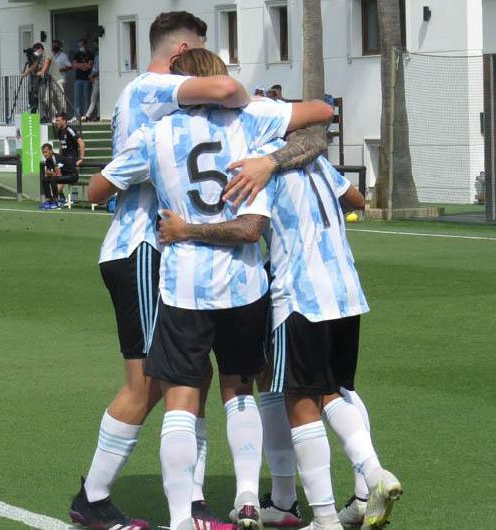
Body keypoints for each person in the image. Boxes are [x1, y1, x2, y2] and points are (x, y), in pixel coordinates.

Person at [90, 47, 333, 530]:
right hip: (245, 281)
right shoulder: (253, 119)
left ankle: (183, 518)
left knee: (180, 397)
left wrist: (151, 184)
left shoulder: (156, 132)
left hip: (184, 283)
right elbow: (322, 115)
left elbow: (97, 189)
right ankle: (247, 497)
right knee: (240, 386)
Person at [68, 11, 264, 530]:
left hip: (162, 253)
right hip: (143, 247)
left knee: (189, 376)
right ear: (180, 56)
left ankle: (191, 504)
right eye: (197, 53)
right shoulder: (155, 88)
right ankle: (94, 497)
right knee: (151, 383)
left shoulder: (146, 96)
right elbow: (225, 86)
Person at [161, 146, 403, 530]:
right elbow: (355, 199)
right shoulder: (316, 160)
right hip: (346, 290)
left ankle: (328, 510)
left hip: (299, 294)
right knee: (333, 391)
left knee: (299, 399)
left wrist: (186, 229)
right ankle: (352, 489)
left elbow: (248, 229)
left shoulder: (260, 166)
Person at [40, 143, 78, 210]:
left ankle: (55, 202)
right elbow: (47, 173)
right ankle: (49, 200)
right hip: (63, 176)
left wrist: (51, 173)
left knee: (53, 179)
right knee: (45, 179)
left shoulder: (55, 158)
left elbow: (58, 174)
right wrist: (51, 173)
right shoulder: (48, 160)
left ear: (51, 151)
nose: (44, 154)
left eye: (46, 152)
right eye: (43, 152)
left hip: (72, 175)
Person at [54, 112, 85, 180]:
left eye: (58, 120)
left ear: (64, 121)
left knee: (58, 172)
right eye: (56, 120)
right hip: (64, 159)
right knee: (53, 171)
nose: (57, 122)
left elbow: (81, 143)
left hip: (71, 158)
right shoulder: (59, 132)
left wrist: (81, 159)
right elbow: (62, 146)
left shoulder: (70, 130)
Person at [72, 39, 95, 119]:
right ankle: (76, 116)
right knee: (77, 99)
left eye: (81, 45)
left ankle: (85, 116)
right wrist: (84, 65)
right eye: (79, 45)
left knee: (86, 99)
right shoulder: (77, 54)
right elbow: (74, 66)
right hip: (78, 79)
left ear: (85, 45)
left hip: (87, 79)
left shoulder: (90, 54)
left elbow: (90, 66)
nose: (80, 47)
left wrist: (80, 65)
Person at [82, 51, 100, 122]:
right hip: (95, 79)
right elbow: (94, 68)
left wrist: (91, 75)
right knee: (97, 99)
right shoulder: (96, 56)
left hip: (97, 79)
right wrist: (91, 76)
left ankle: (87, 116)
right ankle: (98, 115)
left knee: (93, 98)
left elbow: (97, 69)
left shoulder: (98, 56)